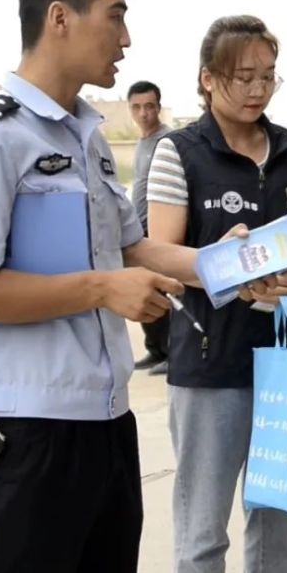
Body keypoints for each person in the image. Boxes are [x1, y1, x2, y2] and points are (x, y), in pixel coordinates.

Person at [0, 0, 284, 573]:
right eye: (115, 15)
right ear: (60, 17)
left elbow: (133, 249)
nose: (127, 37)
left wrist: (225, 264)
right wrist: (101, 289)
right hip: (29, 436)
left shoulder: (88, 140)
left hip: (107, 427)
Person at [147, 15, 287, 573]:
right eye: (242, 77)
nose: (256, 90)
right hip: (211, 364)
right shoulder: (179, 154)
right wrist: (226, 264)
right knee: (203, 534)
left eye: (268, 77)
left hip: (286, 363)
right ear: (206, 79)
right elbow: (155, 254)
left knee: (279, 530)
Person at [128, 79, 173, 374]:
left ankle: (172, 353)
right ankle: (155, 350)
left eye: (149, 106)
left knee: (167, 294)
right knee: (145, 293)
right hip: (137, 229)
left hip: (159, 231)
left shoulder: (168, 141)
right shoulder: (142, 143)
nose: (144, 113)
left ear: (158, 107)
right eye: (137, 107)